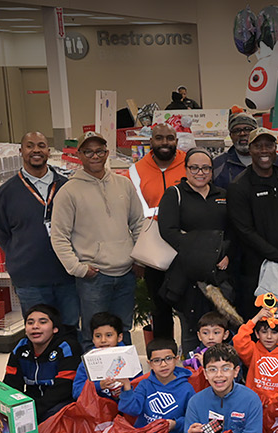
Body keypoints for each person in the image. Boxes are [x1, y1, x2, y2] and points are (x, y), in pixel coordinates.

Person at [50, 131, 143, 350]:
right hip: (94, 278)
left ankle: (125, 371)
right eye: (89, 152)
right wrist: (78, 269)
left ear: (107, 153)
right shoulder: (68, 191)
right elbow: (59, 236)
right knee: (93, 334)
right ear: (79, 155)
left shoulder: (124, 184)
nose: (95, 156)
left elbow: (138, 223)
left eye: (100, 151)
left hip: (126, 274)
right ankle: (92, 374)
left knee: (123, 330)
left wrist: (139, 259)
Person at [0, 132, 80, 339]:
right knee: (39, 335)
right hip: (29, 279)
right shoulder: (6, 193)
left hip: (67, 275)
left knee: (69, 330)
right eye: (30, 146)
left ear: (48, 151)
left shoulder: (67, 187)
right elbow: (1, 234)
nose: (36, 150)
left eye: (41, 145)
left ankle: (69, 361)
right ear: (21, 151)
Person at [158, 147, 232, 352]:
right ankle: (193, 369)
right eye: (195, 168)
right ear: (186, 169)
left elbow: (232, 230)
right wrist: (203, 253)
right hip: (188, 275)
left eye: (206, 168)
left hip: (219, 274)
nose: (200, 172)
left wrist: (225, 253)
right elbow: (168, 232)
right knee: (193, 330)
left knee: (221, 328)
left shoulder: (223, 195)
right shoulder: (174, 194)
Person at [227, 128, 278, 319]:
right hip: (257, 271)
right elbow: (245, 231)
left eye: (269, 145)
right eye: (258, 146)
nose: (264, 151)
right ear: (250, 149)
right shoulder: (239, 187)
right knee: (263, 323)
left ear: (275, 148)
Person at [131, 124, 189, 343]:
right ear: (151, 141)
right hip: (154, 249)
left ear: (176, 141)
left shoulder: (190, 164)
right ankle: (164, 354)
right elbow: (133, 214)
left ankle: (193, 354)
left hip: (185, 247)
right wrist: (138, 257)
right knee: (159, 306)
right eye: (159, 138)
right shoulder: (136, 170)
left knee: (189, 306)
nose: (165, 143)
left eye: (170, 138)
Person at [3, 304, 79, 421]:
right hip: (32, 401)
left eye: (43, 322)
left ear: (55, 328)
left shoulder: (66, 348)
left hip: (61, 403)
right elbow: (10, 384)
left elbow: (63, 389)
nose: (35, 326)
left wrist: (32, 412)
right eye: (30, 323)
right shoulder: (20, 348)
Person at [119, 338, 193, 433]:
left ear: (176, 359)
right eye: (157, 360)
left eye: (168, 358)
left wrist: (175, 424)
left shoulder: (186, 388)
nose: (163, 364)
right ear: (150, 364)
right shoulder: (145, 384)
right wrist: (127, 387)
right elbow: (132, 410)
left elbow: (192, 419)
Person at [233, 309, 278, 406]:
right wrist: (256, 318)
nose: (269, 336)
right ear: (257, 334)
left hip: (276, 405)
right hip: (251, 403)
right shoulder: (253, 350)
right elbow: (239, 340)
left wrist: (271, 401)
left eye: (274, 332)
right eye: (264, 332)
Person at [212, 112, 278, 190]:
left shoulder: (277, 161)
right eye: (236, 130)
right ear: (230, 135)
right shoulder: (218, 164)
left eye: (248, 129)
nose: (242, 133)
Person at [71, 312, 129, 400]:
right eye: (98, 336)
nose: (103, 340)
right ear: (92, 339)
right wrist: (98, 386)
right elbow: (76, 392)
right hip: (97, 406)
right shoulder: (87, 362)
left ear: (119, 337)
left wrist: (127, 388)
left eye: (109, 335)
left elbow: (141, 386)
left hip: (126, 405)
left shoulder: (129, 358)